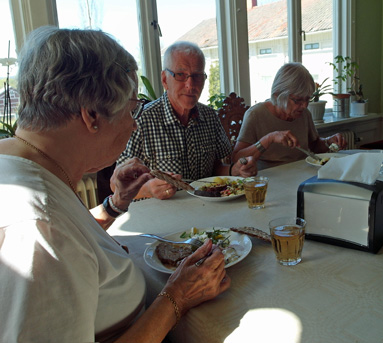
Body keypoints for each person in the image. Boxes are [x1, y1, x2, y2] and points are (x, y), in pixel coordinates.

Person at [0, 27, 230, 343]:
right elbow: (55, 236)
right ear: (92, 115)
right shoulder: (38, 230)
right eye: (132, 109)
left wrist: (115, 204)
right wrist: (177, 297)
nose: (134, 122)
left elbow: (74, 239)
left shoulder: (20, 164)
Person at [116, 41, 257, 200]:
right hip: (159, 216)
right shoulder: (140, 121)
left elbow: (215, 168)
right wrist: (147, 190)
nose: (190, 85)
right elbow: (116, 185)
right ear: (164, 80)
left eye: (197, 76)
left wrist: (235, 171)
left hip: (207, 210)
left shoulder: (210, 117)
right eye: (181, 75)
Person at [232, 62, 347, 170]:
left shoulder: (304, 114)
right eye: (297, 100)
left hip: (302, 173)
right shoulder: (255, 115)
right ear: (278, 95)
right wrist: (268, 139)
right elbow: (237, 158)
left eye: (308, 99)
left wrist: (328, 141)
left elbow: (314, 147)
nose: (304, 105)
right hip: (270, 178)